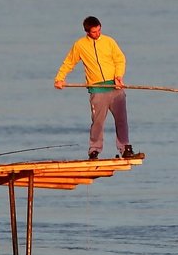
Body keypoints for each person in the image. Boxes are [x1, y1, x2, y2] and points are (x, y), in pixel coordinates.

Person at [54, 16, 143, 160]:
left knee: (122, 120)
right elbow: (69, 62)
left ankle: (125, 148)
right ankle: (94, 150)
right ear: (87, 32)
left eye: (99, 30)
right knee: (98, 122)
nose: (97, 34)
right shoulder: (80, 45)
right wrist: (59, 78)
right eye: (94, 32)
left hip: (115, 87)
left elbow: (119, 59)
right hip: (97, 90)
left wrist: (118, 76)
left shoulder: (109, 41)